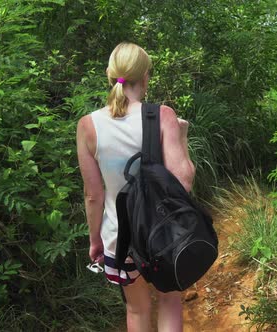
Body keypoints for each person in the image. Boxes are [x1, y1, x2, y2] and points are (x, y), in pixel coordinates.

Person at [76, 42, 195, 332]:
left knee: (137, 310)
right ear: (146, 77)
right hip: (164, 234)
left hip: (120, 238)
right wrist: (182, 137)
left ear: (110, 75)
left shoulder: (88, 125)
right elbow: (185, 179)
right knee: (169, 302)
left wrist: (96, 241)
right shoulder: (162, 115)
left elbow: (94, 195)